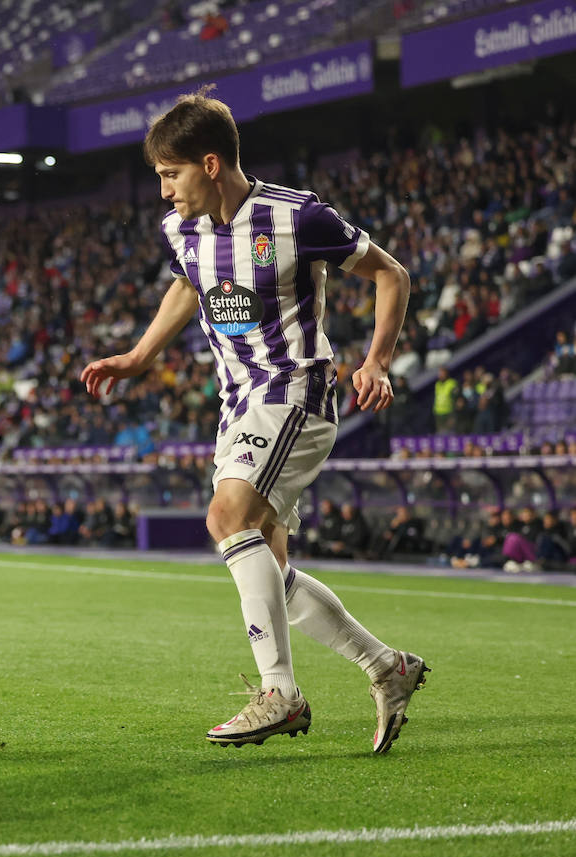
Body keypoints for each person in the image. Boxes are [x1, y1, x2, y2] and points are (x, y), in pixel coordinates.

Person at [81, 89, 428, 753]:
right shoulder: (181, 229)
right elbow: (189, 283)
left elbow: (391, 274)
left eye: (170, 174)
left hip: (295, 389)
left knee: (225, 519)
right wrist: (138, 355)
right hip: (237, 401)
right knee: (266, 564)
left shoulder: (296, 216)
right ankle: (388, 666)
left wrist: (377, 360)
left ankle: (280, 694)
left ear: (210, 164)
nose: (163, 192)